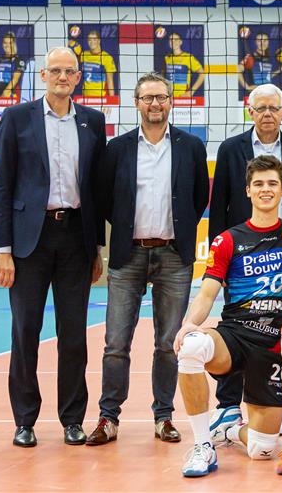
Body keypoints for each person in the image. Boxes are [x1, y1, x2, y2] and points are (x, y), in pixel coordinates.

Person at [0, 46, 106, 448]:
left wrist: (96, 247)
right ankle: (24, 421)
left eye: (69, 71)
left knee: (73, 335)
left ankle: (72, 419)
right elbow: (1, 185)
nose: (62, 77)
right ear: (42, 76)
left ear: (78, 77)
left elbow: (95, 190)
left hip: (75, 237)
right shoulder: (16, 118)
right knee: (25, 331)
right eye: (55, 70)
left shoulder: (93, 121)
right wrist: (2, 248)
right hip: (29, 240)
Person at [88, 73, 209, 446]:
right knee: (115, 343)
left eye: (161, 97)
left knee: (168, 343)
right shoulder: (117, 148)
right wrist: (127, 226)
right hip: (129, 252)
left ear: (171, 101)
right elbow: (104, 199)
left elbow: (199, 197)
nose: (155, 104)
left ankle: (163, 417)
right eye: (147, 98)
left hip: (174, 253)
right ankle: (108, 418)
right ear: (137, 103)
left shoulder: (191, 146)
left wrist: (177, 230)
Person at [173, 155, 282, 477]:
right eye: (259, 184)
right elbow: (207, 293)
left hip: (272, 343)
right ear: (248, 190)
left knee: (262, 449)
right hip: (235, 334)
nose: (266, 189)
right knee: (192, 347)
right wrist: (189, 325)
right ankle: (202, 445)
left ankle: (228, 428)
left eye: (272, 184)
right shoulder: (228, 239)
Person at [207, 82, 282, 437]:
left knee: (280, 326)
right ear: (249, 112)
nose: (267, 114)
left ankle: (280, 402)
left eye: (273, 108)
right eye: (260, 108)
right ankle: (227, 405)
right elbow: (219, 205)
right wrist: (219, 260)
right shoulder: (230, 148)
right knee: (235, 323)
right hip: (241, 254)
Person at [76, 29, 116, 98]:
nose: (92, 42)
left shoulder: (107, 57)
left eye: (94, 39)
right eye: (89, 40)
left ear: (99, 41)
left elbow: (110, 81)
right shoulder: (83, 55)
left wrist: (112, 100)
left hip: (101, 97)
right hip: (85, 97)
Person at [162, 32, 204, 99]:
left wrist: (191, 91)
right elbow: (163, 77)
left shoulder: (188, 57)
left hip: (183, 98)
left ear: (180, 42)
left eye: (176, 39)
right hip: (169, 97)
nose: (173, 41)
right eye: (171, 40)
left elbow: (202, 74)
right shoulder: (166, 58)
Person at [0, 31, 26, 99]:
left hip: (10, 96)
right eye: (5, 43)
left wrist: (5, 94)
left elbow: (15, 79)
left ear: (13, 44)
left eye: (10, 43)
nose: (7, 45)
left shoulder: (19, 60)